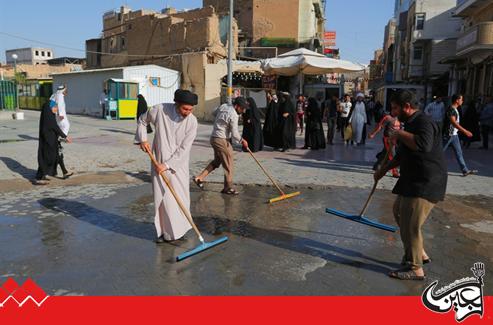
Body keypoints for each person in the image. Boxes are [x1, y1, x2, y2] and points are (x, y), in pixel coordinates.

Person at [374, 90, 447, 281]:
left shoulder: (423, 122)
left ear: (407, 106)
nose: (393, 111)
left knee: (411, 224)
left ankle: (415, 267)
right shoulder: (411, 122)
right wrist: (382, 170)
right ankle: (418, 252)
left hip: (426, 180)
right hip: (412, 178)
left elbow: (423, 144)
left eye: (396, 107)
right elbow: (401, 155)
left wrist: (399, 133)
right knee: (399, 211)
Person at [135, 89, 199, 244]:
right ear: (176, 104)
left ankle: (179, 230)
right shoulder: (160, 110)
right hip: (158, 160)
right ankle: (164, 232)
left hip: (178, 165)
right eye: (185, 109)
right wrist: (143, 139)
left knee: (180, 198)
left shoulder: (192, 122)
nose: (187, 112)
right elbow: (142, 120)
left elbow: (184, 148)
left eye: (190, 109)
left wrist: (168, 165)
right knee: (162, 197)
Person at [193, 97, 248, 195]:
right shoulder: (234, 115)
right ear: (237, 106)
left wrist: (221, 122)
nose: (243, 111)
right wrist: (242, 140)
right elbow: (235, 133)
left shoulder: (224, 106)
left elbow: (213, 113)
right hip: (222, 140)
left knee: (217, 161)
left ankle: (199, 178)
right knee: (229, 163)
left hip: (214, 137)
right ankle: (228, 187)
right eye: (242, 108)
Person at [35, 102, 72, 185]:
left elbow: (55, 129)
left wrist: (61, 138)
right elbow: (55, 128)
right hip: (47, 142)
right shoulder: (48, 118)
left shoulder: (51, 116)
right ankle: (41, 176)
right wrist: (65, 136)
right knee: (46, 158)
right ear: (50, 108)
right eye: (55, 107)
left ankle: (63, 172)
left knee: (57, 156)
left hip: (53, 141)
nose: (57, 109)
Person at [443, 94, 477, 177]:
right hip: (449, 134)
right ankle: (428, 167)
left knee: (459, 153)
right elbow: (454, 123)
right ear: (457, 100)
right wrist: (465, 131)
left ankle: (464, 170)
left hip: (454, 135)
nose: (462, 101)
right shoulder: (451, 109)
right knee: (439, 152)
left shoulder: (455, 109)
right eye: (461, 99)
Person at [369, 111, 401, 178]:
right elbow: (379, 126)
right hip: (388, 139)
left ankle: (377, 166)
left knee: (385, 153)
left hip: (395, 139)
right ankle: (394, 172)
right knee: (392, 155)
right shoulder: (387, 118)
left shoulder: (399, 118)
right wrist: (373, 134)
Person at [50, 85, 72, 179]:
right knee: (66, 125)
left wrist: (54, 113)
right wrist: (60, 114)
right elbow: (59, 106)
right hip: (60, 116)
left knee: (58, 153)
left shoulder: (54, 95)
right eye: (66, 90)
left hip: (55, 117)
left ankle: (55, 171)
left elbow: (51, 104)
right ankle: (62, 137)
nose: (67, 91)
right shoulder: (60, 96)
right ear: (63, 90)